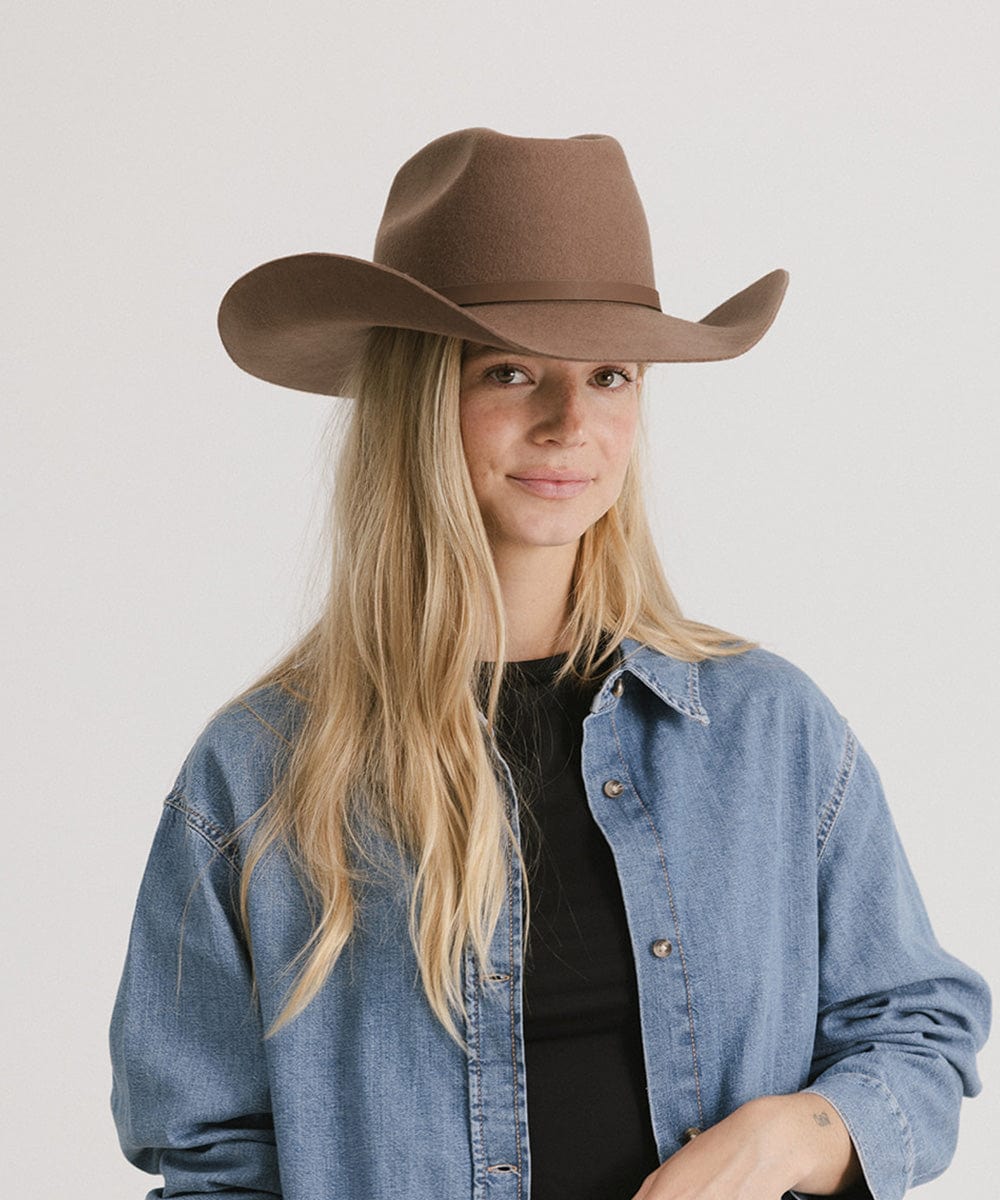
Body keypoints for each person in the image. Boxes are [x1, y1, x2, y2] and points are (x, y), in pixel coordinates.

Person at [109, 128, 990, 1200]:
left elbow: (918, 1031)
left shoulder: (769, 732)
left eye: (610, 376)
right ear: (417, 400)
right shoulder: (261, 773)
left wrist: (785, 1136)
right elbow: (211, 1157)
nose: (571, 423)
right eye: (511, 371)